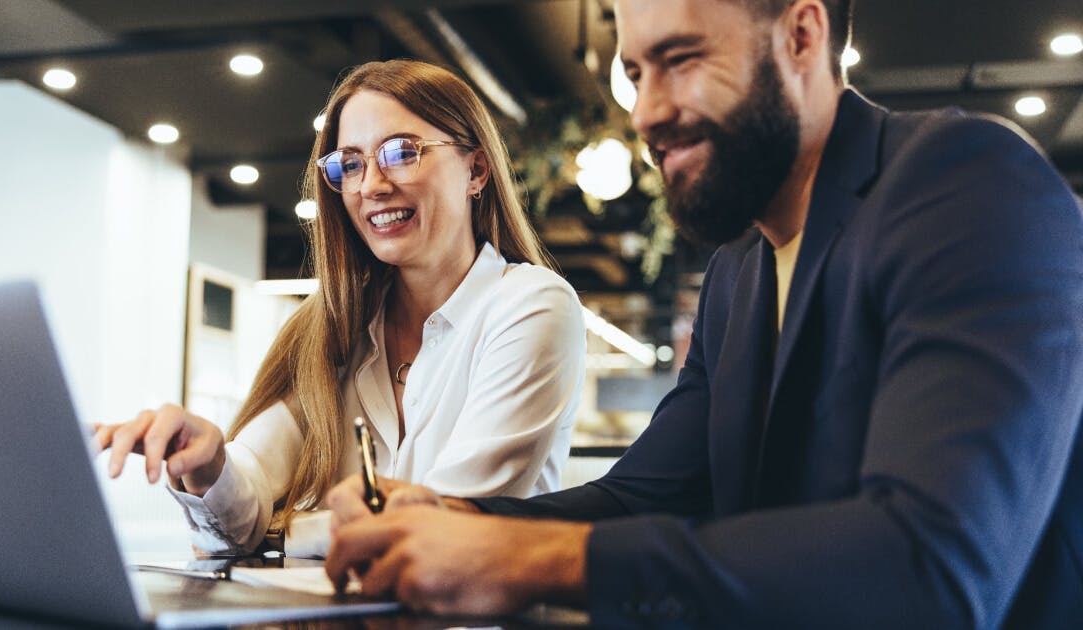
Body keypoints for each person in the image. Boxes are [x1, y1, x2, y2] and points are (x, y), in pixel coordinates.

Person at [323, 0, 1083, 627]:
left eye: (681, 60)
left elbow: (933, 567)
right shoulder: (739, 271)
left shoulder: (969, 183)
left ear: (801, 35)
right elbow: (650, 492)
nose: (648, 111)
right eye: (633, 74)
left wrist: (532, 561)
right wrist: (452, 512)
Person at [93, 59, 586, 558]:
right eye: (350, 164)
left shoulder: (532, 307)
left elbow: (444, 522)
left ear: (475, 170)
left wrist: (281, 534)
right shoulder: (336, 328)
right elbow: (249, 488)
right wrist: (210, 465)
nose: (371, 184)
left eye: (401, 152)